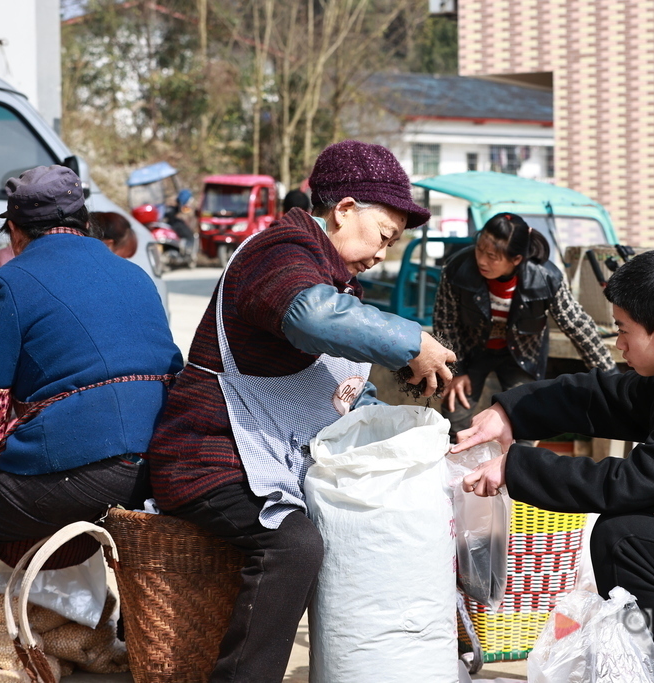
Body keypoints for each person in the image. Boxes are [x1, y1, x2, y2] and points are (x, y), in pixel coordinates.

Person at [146, 140, 457, 683]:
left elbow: (344, 392)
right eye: (384, 235)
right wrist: (412, 343)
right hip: (206, 457)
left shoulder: (334, 279)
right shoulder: (280, 251)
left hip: (262, 462)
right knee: (291, 545)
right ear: (345, 210)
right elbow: (310, 315)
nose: (382, 255)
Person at [0, 165, 183, 683]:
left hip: (81, 466)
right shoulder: (134, 275)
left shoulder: (8, 282)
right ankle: (124, 636)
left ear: (15, 231)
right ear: (84, 221)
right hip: (155, 466)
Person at [456, 249, 654, 683]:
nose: (618, 344)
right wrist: (511, 411)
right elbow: (603, 397)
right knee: (627, 530)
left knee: (623, 538)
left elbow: (638, 482)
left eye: (624, 331)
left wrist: (516, 468)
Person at [433, 212, 617, 439]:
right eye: (479, 249)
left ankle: (515, 460)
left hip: (521, 354)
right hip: (470, 351)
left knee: (525, 419)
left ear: (516, 259)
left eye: (492, 256)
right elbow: (445, 322)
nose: (481, 260)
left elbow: (577, 325)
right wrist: (456, 370)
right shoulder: (457, 269)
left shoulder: (546, 278)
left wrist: (610, 379)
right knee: (455, 415)